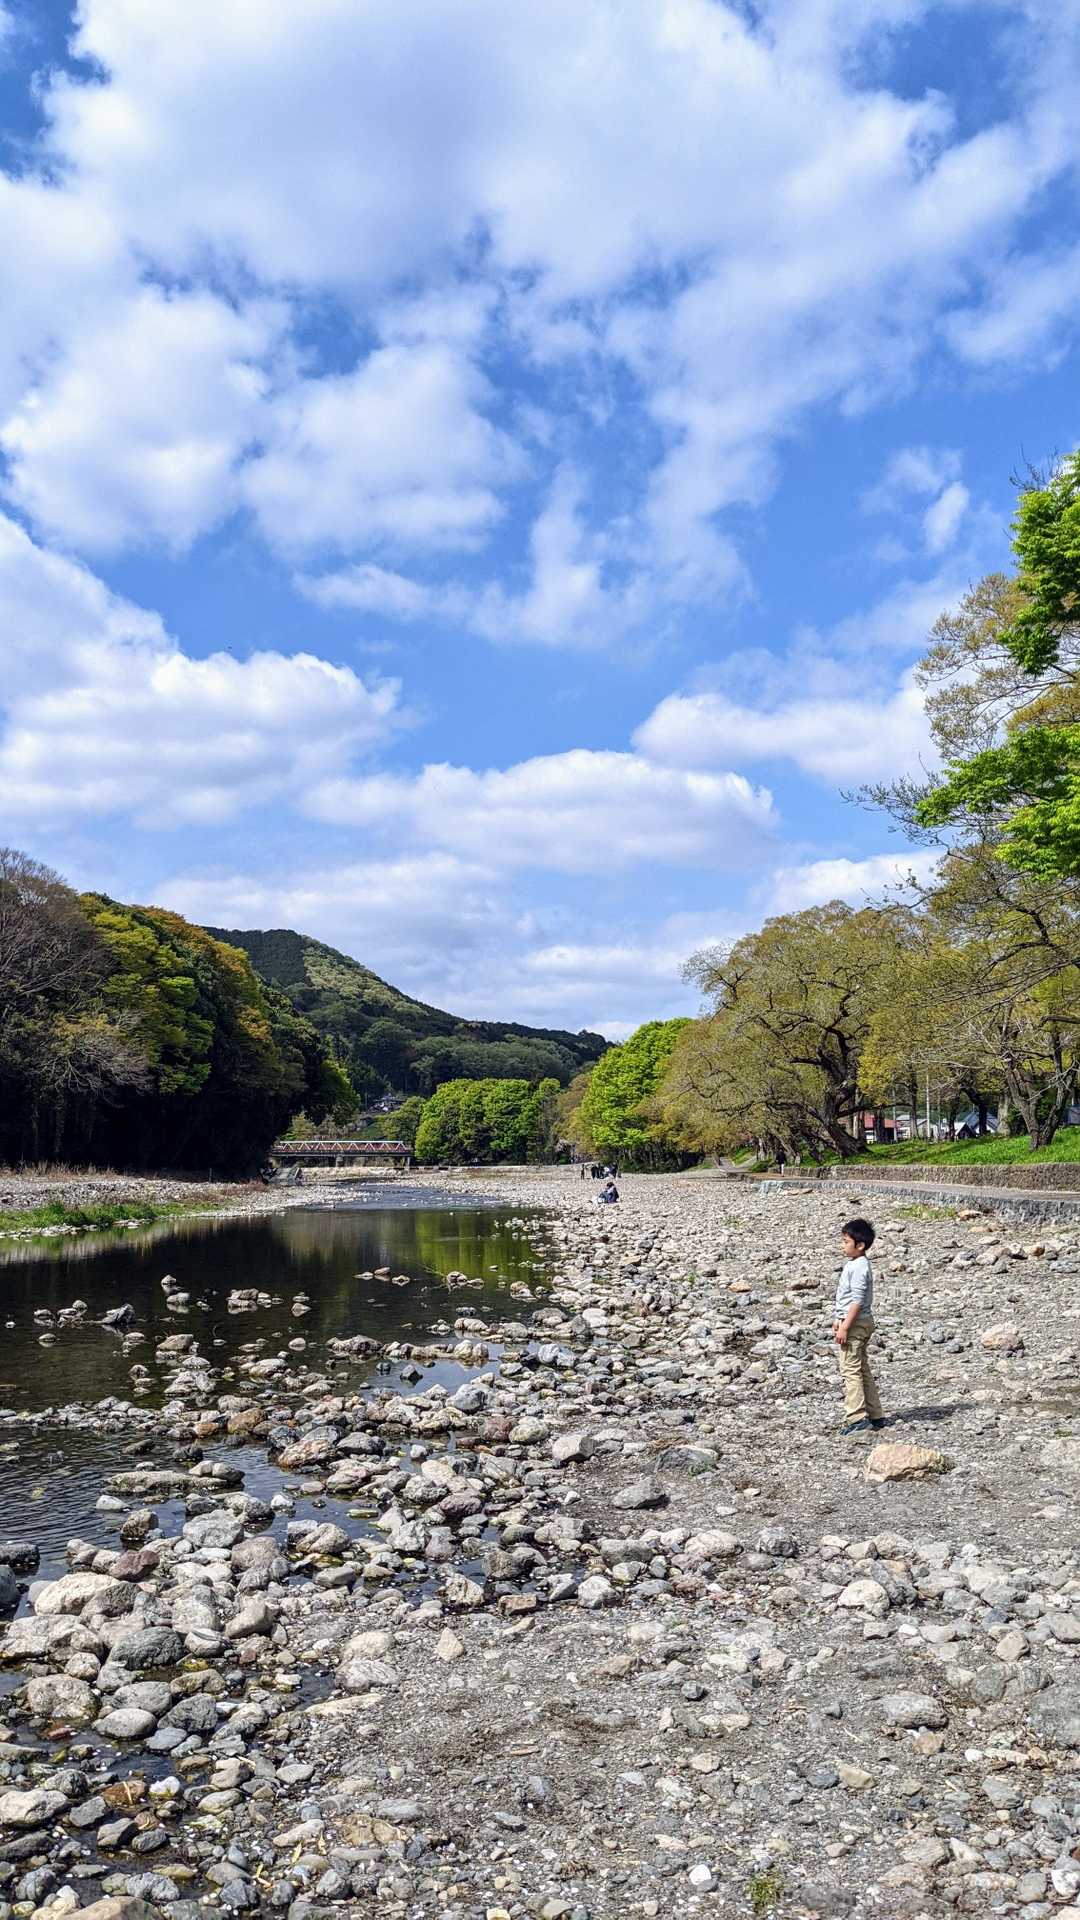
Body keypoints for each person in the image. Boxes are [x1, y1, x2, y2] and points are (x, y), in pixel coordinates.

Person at [832, 1216, 884, 1435]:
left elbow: (857, 1300)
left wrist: (845, 1326)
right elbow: (845, 1298)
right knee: (861, 1367)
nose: (842, 1246)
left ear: (860, 1245)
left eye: (846, 1242)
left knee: (850, 1369)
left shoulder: (860, 1267)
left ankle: (857, 1417)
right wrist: (838, 1318)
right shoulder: (854, 1264)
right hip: (856, 1321)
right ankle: (875, 1414)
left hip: (856, 1323)